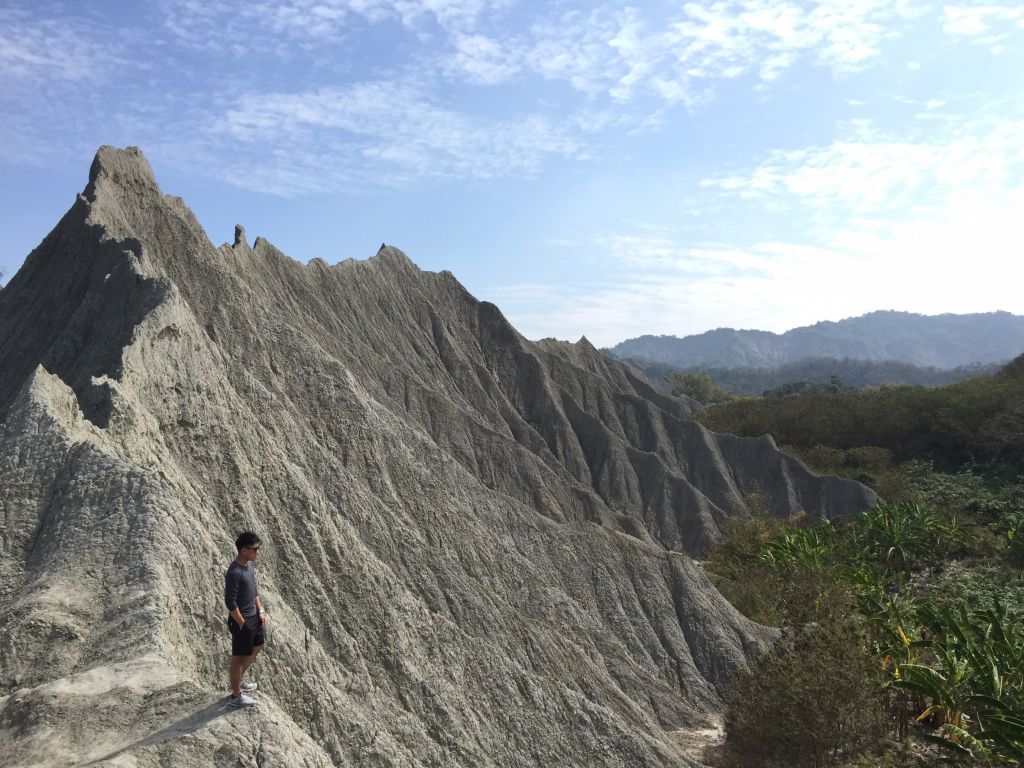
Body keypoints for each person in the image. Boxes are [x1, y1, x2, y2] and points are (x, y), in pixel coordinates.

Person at [225, 531, 267, 707]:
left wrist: (261, 610)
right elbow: (230, 601)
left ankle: (239, 679)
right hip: (242, 621)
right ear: (243, 550)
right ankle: (236, 696)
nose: (258, 552)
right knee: (238, 657)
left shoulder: (249, 567)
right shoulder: (234, 572)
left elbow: (254, 589)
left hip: (253, 617)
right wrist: (242, 623)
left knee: (257, 646)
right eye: (254, 549)